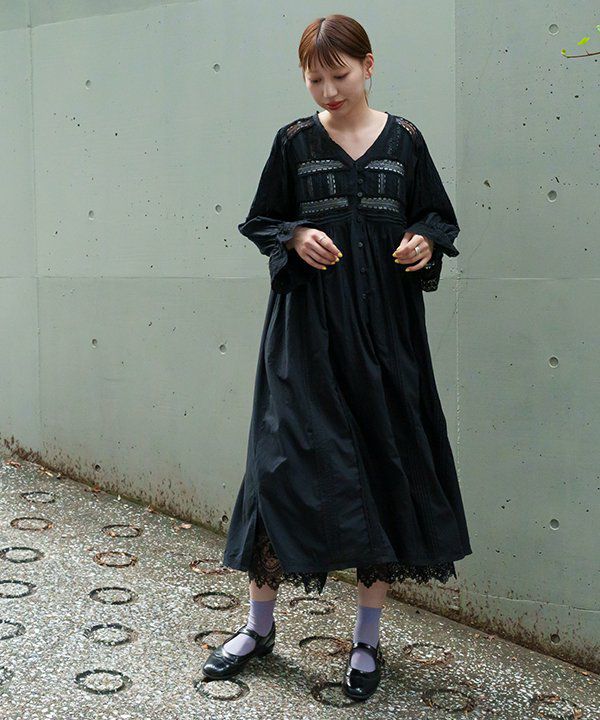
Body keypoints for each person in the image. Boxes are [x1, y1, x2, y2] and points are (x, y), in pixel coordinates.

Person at [202, 14, 472, 701]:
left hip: (386, 337)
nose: (328, 90)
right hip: (305, 337)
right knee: (277, 469)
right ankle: (258, 627)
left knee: (382, 466)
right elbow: (262, 219)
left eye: (339, 75)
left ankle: (367, 640)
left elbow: (437, 217)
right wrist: (295, 236)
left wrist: (423, 241)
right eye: (315, 78)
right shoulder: (293, 143)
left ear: (369, 65)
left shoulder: (405, 141)